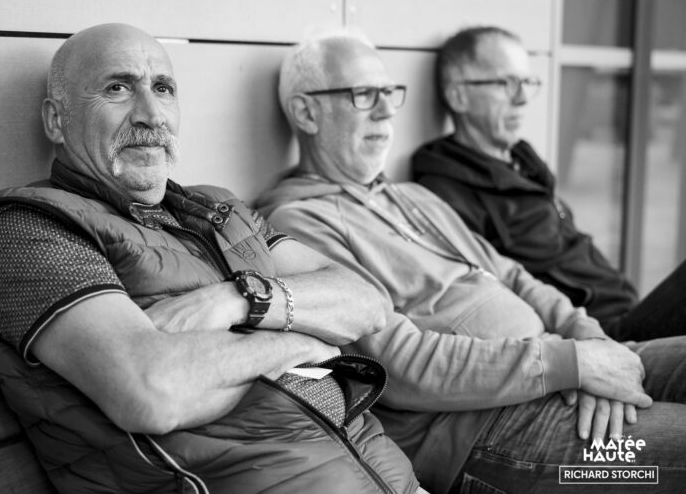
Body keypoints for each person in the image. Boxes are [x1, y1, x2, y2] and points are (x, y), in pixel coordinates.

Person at [0, 23, 422, 494]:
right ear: (56, 120)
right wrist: (299, 342)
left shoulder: (217, 208)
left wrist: (240, 302)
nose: (151, 114)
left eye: (163, 88)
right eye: (117, 89)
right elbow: (153, 390)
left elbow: (365, 302)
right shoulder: (28, 228)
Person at [257, 29, 686, 494]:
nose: (385, 110)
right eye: (363, 94)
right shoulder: (298, 224)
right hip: (492, 431)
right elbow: (397, 366)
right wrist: (570, 364)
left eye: (389, 92)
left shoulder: (412, 196)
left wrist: (590, 342)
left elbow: (512, 274)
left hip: (558, 366)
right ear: (306, 113)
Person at [411, 25, 686, 342]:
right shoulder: (444, 192)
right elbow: (484, 296)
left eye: (526, 82)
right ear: (458, 95)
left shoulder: (522, 161)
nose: (522, 99)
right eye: (505, 83)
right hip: (596, 334)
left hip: (628, 308)